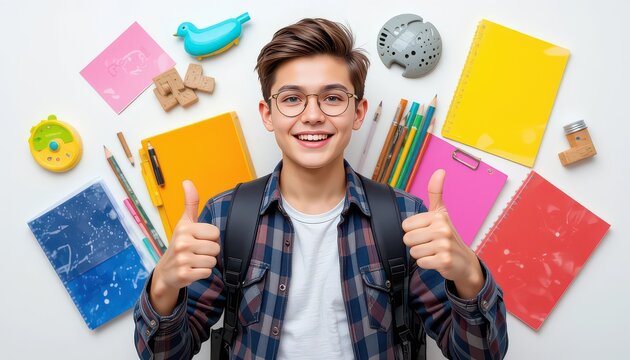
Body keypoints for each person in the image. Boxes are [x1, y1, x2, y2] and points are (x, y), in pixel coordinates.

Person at [133, 18, 508, 359]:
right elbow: (164, 356)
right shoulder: (226, 217)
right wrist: (164, 285)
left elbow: (480, 356)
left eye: (332, 98)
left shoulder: (407, 219)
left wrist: (468, 275)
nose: (312, 115)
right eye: (292, 99)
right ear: (268, 115)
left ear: (358, 113)